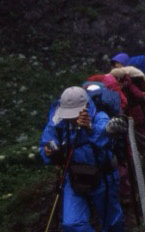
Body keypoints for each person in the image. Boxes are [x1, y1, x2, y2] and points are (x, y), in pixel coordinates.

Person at [39, 86, 124, 232]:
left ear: (86, 106)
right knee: (72, 224)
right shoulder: (57, 122)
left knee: (111, 222)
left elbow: (107, 141)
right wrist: (47, 152)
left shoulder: (99, 116)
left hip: (102, 175)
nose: (72, 118)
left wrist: (90, 128)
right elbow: (45, 143)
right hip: (73, 177)